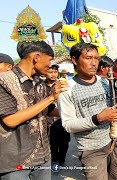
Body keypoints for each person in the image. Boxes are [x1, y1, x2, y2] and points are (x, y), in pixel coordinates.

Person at [58, 43, 117, 180]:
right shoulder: (67, 90)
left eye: (96, 58)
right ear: (74, 60)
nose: (93, 63)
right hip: (92, 148)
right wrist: (98, 118)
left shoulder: (106, 82)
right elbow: (68, 125)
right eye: (88, 58)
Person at [0, 41, 67, 179]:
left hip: (43, 157)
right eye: (49, 60)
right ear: (36, 57)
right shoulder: (4, 80)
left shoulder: (39, 82)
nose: (50, 65)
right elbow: (10, 120)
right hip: (16, 163)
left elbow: (47, 110)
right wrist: (51, 97)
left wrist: (76, 112)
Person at [45, 64, 71, 167]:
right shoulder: (41, 86)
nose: (53, 74)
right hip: (48, 120)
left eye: (55, 72)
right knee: (53, 143)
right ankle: (55, 161)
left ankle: (62, 160)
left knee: (64, 142)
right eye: (50, 72)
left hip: (63, 119)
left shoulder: (63, 85)